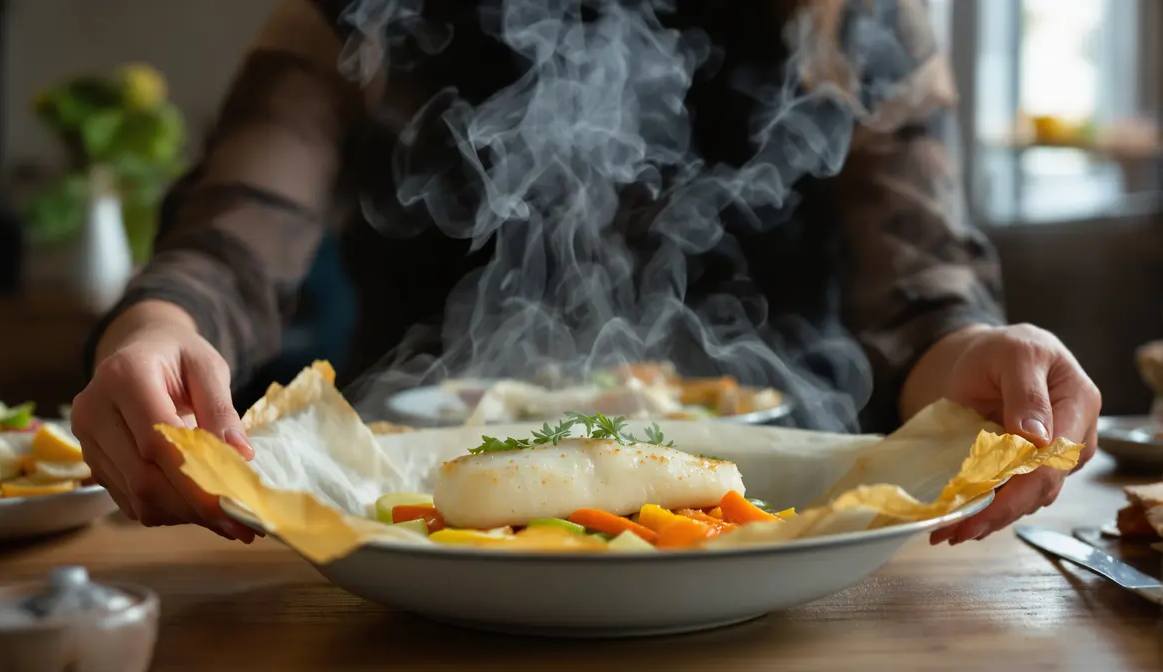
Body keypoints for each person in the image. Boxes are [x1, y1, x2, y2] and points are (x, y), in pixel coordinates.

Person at [69, 0, 1100, 547]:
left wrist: (980, 357)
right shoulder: (357, 8)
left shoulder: (860, 19)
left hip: (788, 548)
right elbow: (232, 237)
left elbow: (926, 307)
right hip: (412, 547)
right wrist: (155, 328)